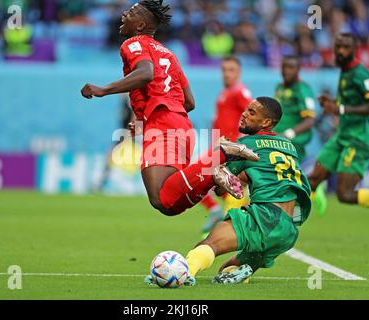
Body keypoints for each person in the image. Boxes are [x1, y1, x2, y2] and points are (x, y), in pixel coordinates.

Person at [80, 0, 259, 217]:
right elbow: (190, 102)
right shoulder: (169, 54)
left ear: (140, 25)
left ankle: (218, 157)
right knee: (169, 203)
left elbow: (146, 74)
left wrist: (103, 89)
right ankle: (212, 173)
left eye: (132, 12)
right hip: (180, 126)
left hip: (163, 126)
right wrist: (147, 118)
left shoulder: (134, 43)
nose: (125, 13)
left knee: (159, 197)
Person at [144, 97, 312, 286]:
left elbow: (218, 187)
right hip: (288, 230)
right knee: (227, 270)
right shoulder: (289, 147)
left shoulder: (247, 144)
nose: (244, 114)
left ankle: (179, 275)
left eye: (252, 113)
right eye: (246, 109)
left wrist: (219, 178)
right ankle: (242, 272)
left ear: (266, 122)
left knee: (208, 245)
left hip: (265, 218)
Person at [309, 33, 369, 213]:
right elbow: (350, 101)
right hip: (341, 136)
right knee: (313, 179)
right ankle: (289, 225)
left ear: (355, 50)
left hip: (357, 140)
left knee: (344, 194)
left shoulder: (360, 74)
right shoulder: (345, 71)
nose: (340, 51)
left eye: (346, 48)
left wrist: (342, 109)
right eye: (338, 47)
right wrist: (332, 103)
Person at [200, 55, 253, 235]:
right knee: (221, 187)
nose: (226, 74)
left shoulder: (240, 92)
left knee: (203, 176)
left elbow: (253, 117)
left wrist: (239, 144)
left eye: (231, 70)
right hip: (220, 148)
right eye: (224, 70)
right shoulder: (225, 94)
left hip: (230, 150)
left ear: (239, 72)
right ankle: (229, 219)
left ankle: (223, 222)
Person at [274, 55, 316, 161]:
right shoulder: (280, 87)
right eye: (284, 67)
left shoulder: (303, 90)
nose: (286, 71)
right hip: (276, 139)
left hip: (292, 143)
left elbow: (310, 120)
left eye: (291, 67)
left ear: (298, 69)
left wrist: (289, 134)